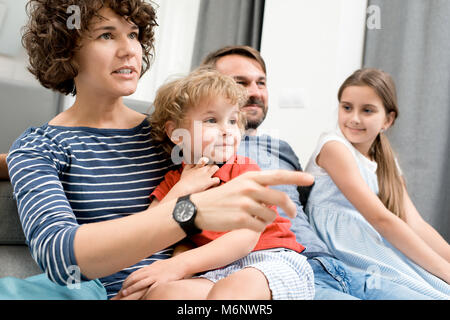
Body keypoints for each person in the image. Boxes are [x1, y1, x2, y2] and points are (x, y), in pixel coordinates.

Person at [3, 1, 313, 299]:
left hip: (208, 281)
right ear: (66, 48)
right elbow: (59, 257)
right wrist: (187, 214)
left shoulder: (177, 132)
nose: (129, 50)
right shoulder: (38, 148)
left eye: (134, 34)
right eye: (107, 35)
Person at [199, 45, 436, 300]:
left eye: (261, 82)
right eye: (240, 83)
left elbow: (307, 207)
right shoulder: (202, 149)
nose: (255, 92)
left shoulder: (282, 149)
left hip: (331, 265)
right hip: (276, 269)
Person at [114, 68, 314, 300]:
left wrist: (178, 266)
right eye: (212, 120)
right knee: (164, 294)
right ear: (176, 133)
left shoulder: (243, 170)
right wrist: (181, 190)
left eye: (232, 120)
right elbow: (145, 229)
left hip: (270, 260)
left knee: (231, 293)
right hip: (216, 271)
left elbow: (244, 239)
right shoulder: (173, 182)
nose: (227, 131)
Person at [304, 68, 450, 299]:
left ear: (388, 120)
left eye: (367, 110)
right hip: (347, 247)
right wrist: (444, 270)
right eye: (347, 107)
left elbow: (415, 223)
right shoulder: (334, 147)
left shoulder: (385, 159)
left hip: (372, 243)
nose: (354, 118)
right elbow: (381, 219)